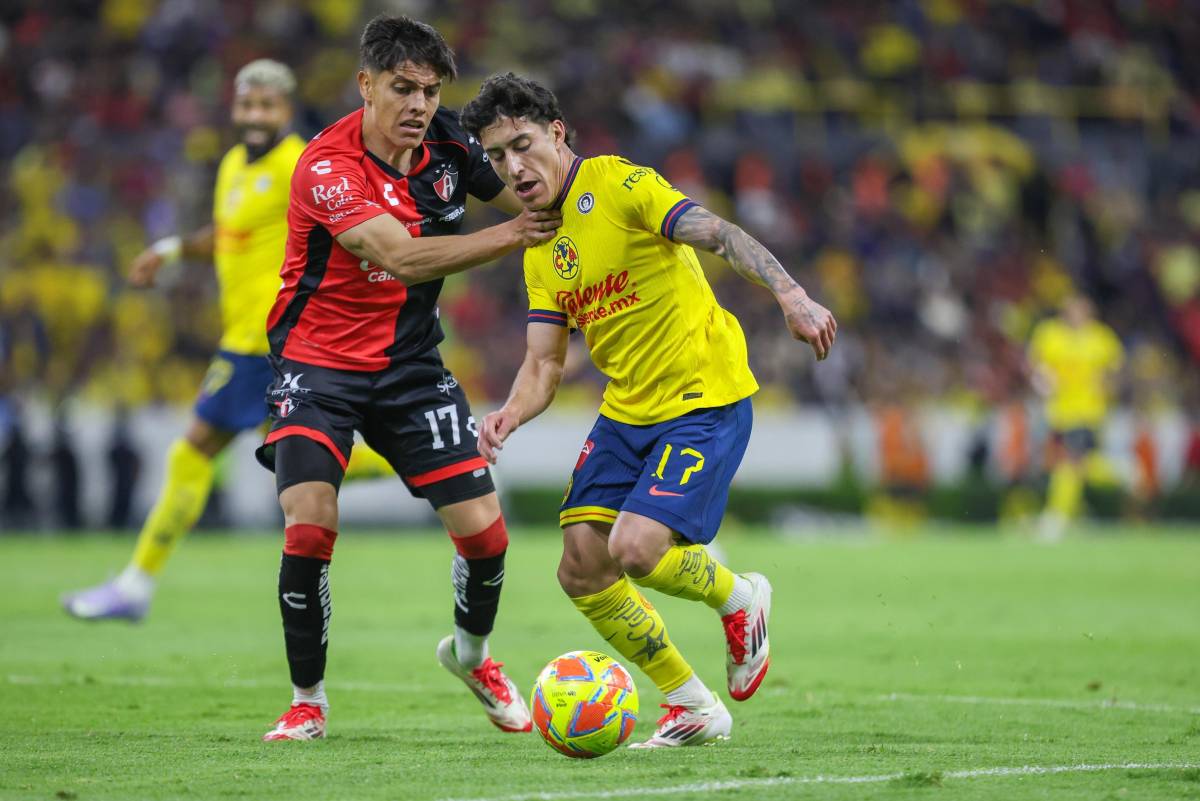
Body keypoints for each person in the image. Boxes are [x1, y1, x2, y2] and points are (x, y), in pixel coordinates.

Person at [461, 74, 837, 748]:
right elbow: (545, 362)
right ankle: (692, 704)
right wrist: (509, 414)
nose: (512, 167)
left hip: (703, 396)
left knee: (634, 549)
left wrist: (791, 294)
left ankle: (740, 597)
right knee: (581, 565)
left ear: (556, 133)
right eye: (496, 156)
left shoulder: (618, 184)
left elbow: (717, 233)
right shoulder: (540, 246)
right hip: (628, 410)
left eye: (522, 145)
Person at [255, 17, 561, 742]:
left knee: (486, 537)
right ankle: (307, 701)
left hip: (411, 364)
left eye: (430, 90)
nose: (419, 104)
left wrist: (576, 194)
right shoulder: (326, 167)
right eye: (403, 88)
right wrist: (513, 235)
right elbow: (399, 256)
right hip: (318, 363)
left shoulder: (451, 143)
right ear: (366, 84)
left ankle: (472, 657)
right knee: (310, 523)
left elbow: (529, 193)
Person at [61, 59, 397, 622]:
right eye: (247, 104)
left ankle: (136, 584)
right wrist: (170, 250)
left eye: (267, 105)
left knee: (194, 449)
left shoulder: (302, 165)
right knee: (300, 452)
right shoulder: (234, 164)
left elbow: (353, 227)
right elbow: (230, 232)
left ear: (287, 109)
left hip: (267, 340)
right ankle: (435, 455)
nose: (255, 115)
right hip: (246, 338)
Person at [1027, 294, 1124, 541]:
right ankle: (1117, 473)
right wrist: (1042, 381)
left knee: (1070, 462)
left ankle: (1056, 518)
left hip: (1087, 412)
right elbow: (1035, 366)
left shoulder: (1101, 337)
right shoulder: (1049, 333)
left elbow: (1115, 372)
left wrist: (1107, 385)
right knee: (1068, 466)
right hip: (1057, 413)